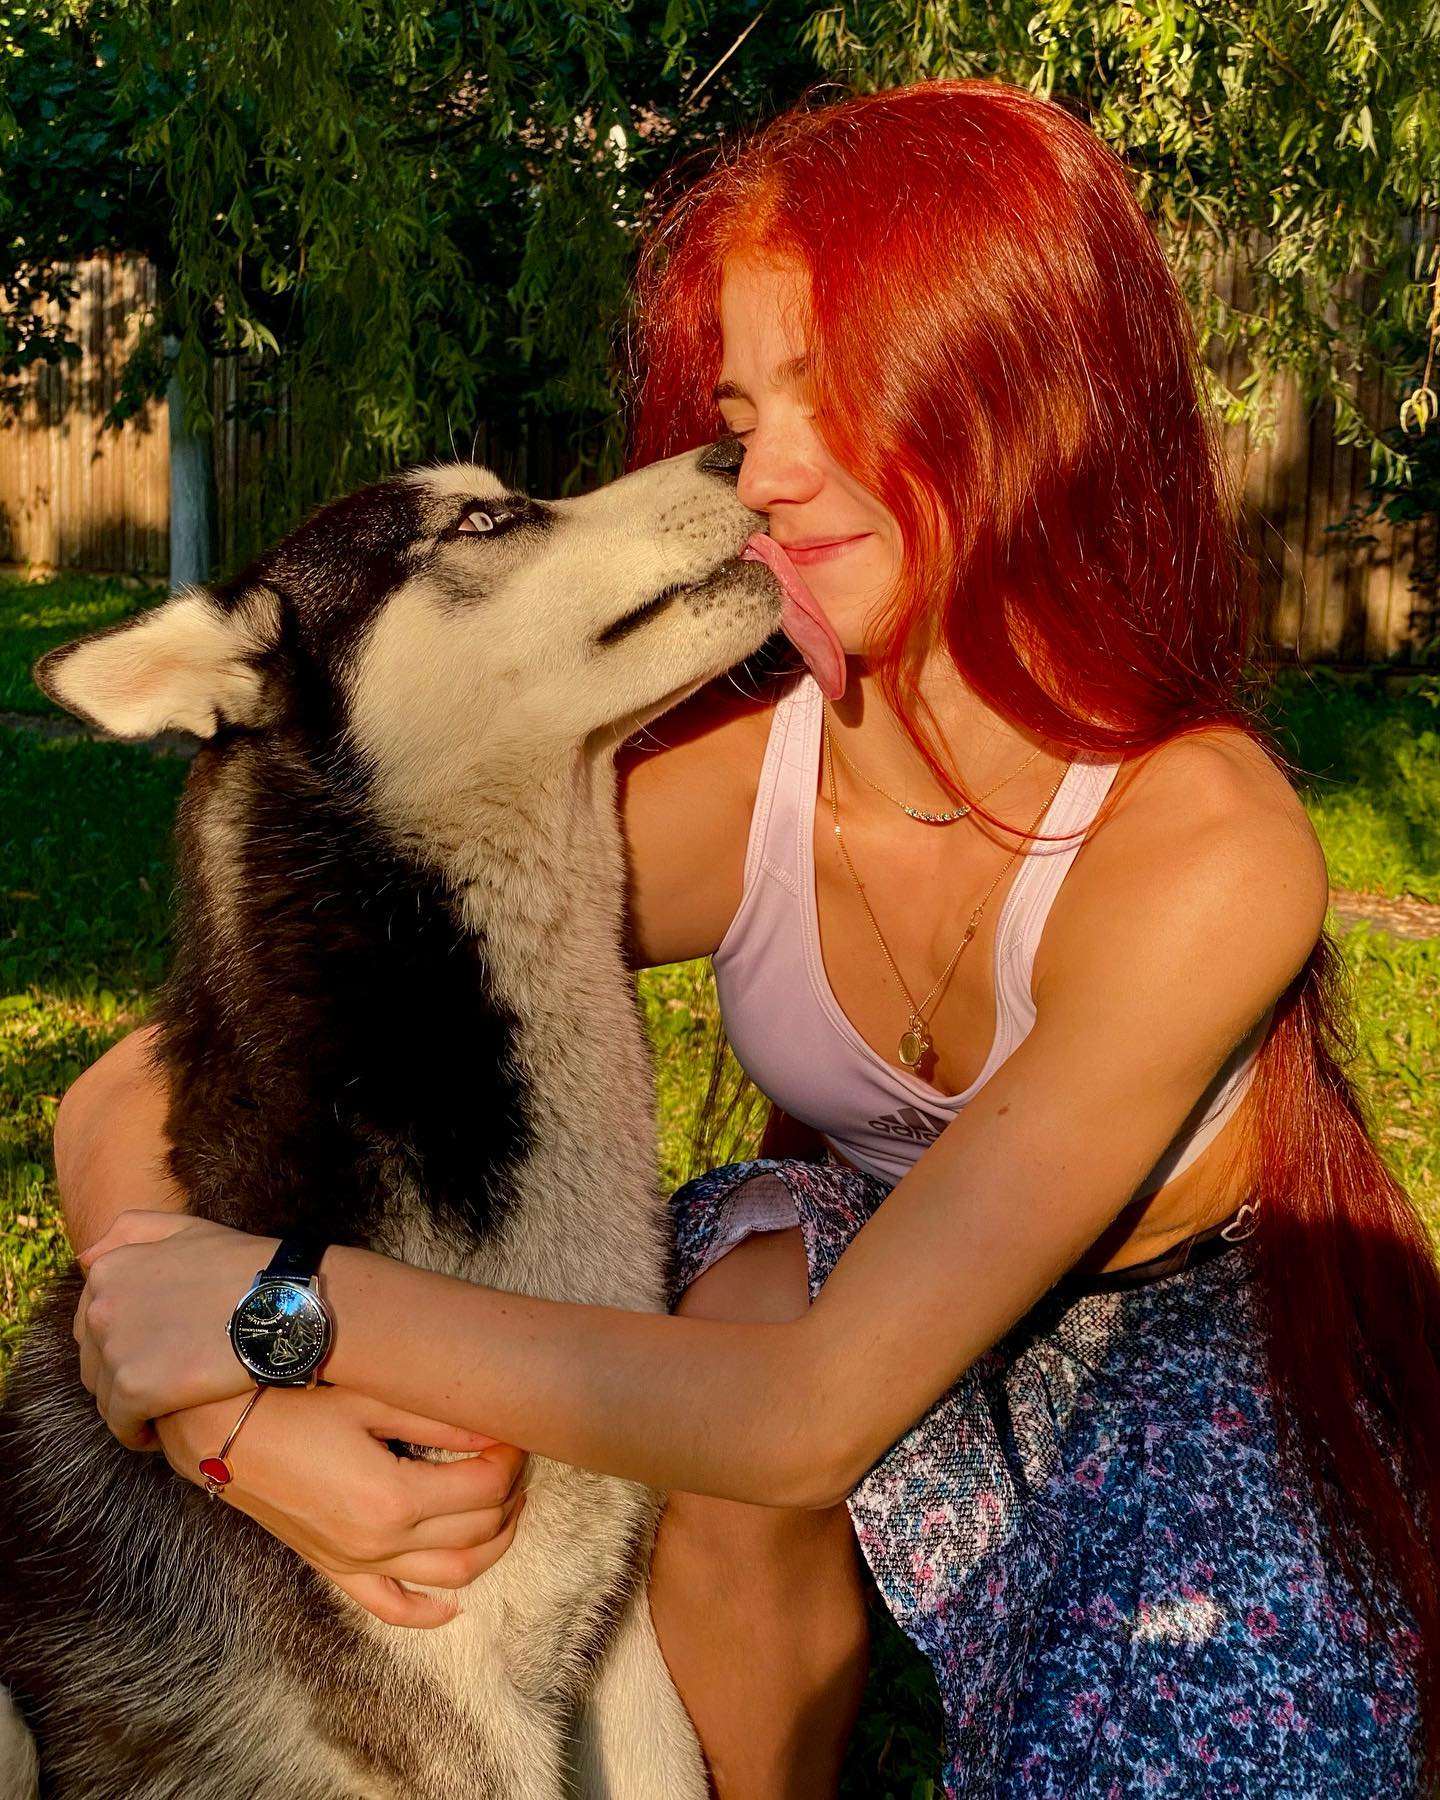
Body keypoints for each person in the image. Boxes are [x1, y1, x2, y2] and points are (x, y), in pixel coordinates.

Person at [53, 78, 1439, 1798]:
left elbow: (806, 1415)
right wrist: (205, 1379)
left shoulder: (1205, 844)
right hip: (841, 1280)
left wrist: (284, 1311)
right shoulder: (756, 779)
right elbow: (163, 1069)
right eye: (740, 407)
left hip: (1168, 1361)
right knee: (718, 1339)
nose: (758, 474)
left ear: (1034, 400)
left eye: (839, 396)